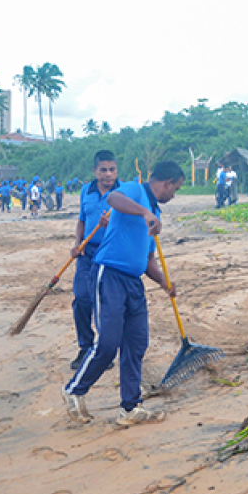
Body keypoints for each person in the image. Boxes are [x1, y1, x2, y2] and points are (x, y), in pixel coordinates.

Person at [63, 160, 184, 425]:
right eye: (175, 188)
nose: (174, 195)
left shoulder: (155, 215)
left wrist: (164, 282)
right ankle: (74, 391)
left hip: (134, 282)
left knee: (136, 343)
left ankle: (130, 407)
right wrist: (144, 213)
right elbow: (114, 198)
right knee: (108, 343)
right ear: (166, 182)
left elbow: (148, 259)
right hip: (109, 275)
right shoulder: (135, 191)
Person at [69, 150, 120, 370]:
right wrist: (77, 243)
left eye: (112, 170)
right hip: (87, 252)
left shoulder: (124, 192)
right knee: (81, 299)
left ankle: (104, 351)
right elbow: (82, 220)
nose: (108, 174)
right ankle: (86, 347)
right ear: (95, 171)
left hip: (112, 253)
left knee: (105, 303)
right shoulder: (85, 191)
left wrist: (113, 224)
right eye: (103, 170)